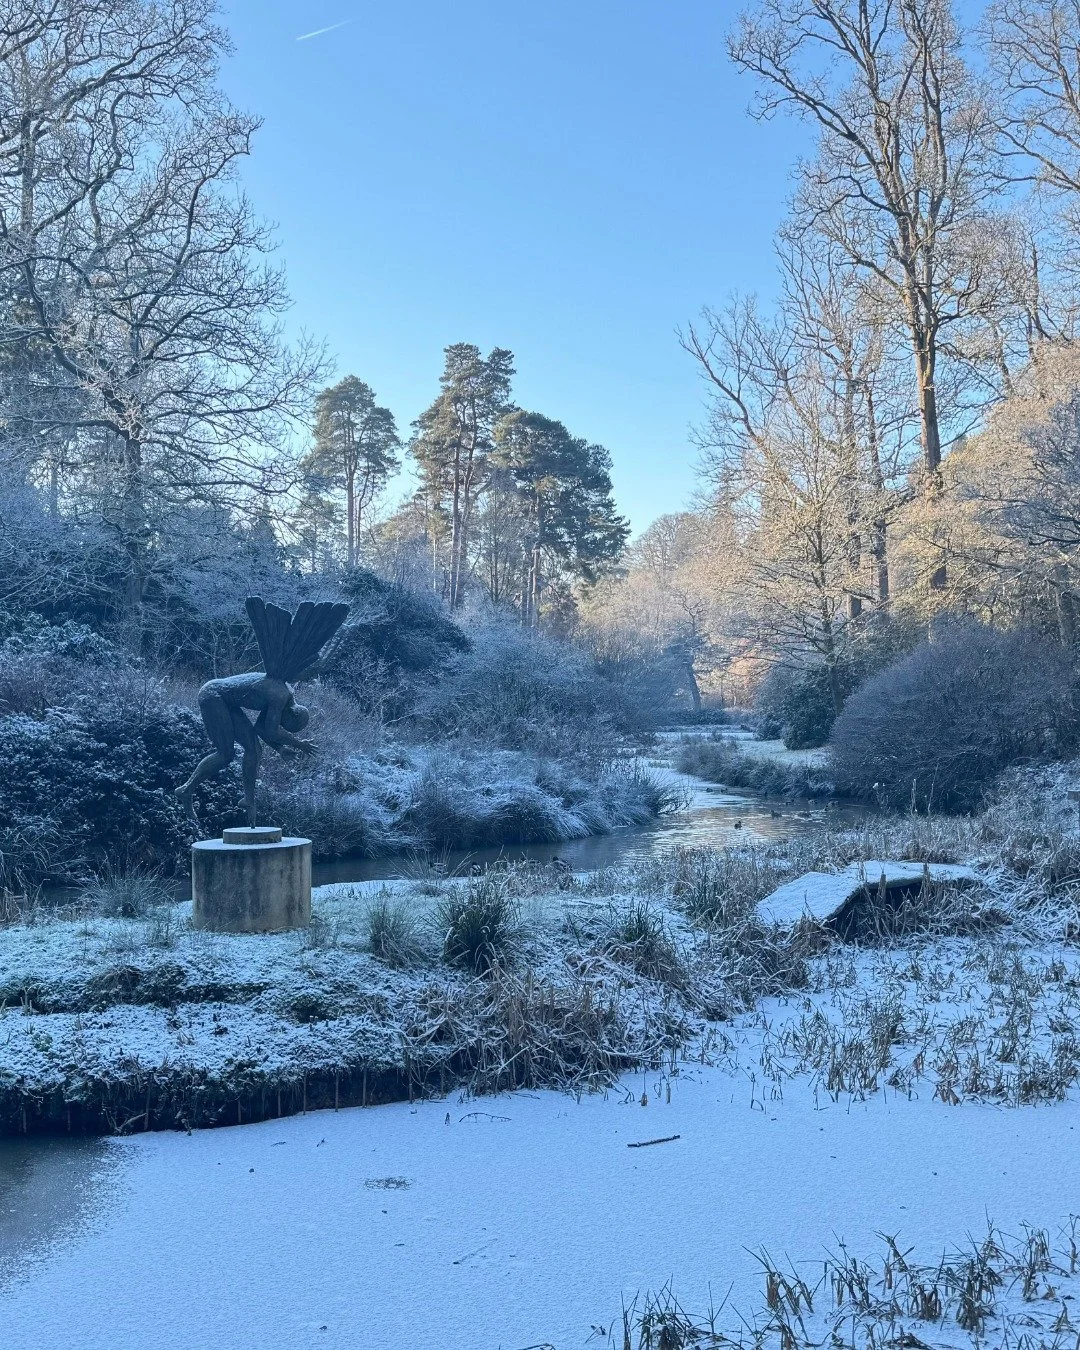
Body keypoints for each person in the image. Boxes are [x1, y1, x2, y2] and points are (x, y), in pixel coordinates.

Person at [178, 596, 349, 827]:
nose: (282, 724)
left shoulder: (284, 694)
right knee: (226, 754)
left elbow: (261, 729)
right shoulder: (279, 695)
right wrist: (298, 744)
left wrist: (280, 748)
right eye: (286, 724)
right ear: (292, 715)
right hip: (213, 696)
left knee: (254, 749)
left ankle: (248, 800)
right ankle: (186, 790)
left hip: (228, 702)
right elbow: (271, 728)